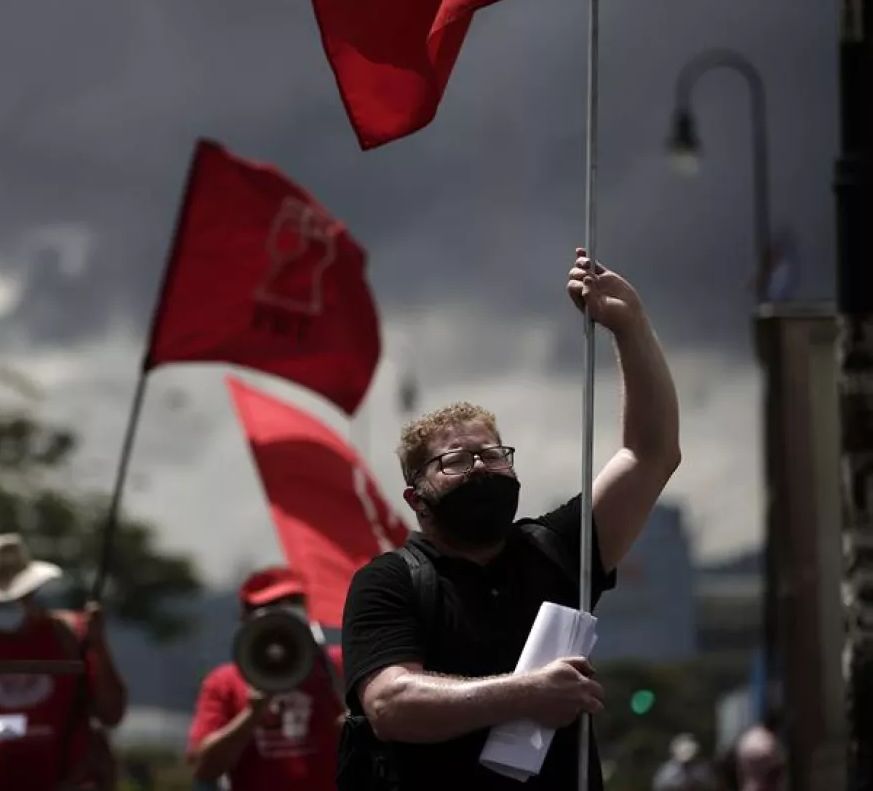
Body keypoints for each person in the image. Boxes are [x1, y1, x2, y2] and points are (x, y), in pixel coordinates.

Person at [339, 249, 681, 790]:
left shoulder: (556, 549)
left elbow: (651, 453)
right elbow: (391, 703)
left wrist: (629, 324)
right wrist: (528, 693)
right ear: (416, 496)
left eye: (494, 455)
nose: (481, 468)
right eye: (455, 461)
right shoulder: (389, 582)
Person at [0, 533, 126, 790]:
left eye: (12, 596)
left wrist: (99, 644)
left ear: (32, 590)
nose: (4, 604)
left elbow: (112, 713)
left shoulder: (74, 636)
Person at [187, 567, 345, 790]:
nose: (282, 612)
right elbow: (204, 769)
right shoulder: (224, 682)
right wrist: (251, 715)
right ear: (245, 616)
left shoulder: (339, 668)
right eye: (270, 606)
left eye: (292, 601)